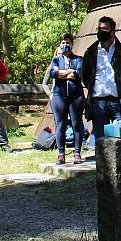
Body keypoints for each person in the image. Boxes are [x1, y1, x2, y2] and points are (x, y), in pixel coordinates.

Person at [82, 17, 121, 141]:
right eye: (99, 29)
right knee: (101, 141)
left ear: (113, 32)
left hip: (119, 102)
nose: (102, 32)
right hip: (98, 103)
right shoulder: (90, 52)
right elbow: (85, 77)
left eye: (105, 29)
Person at [48, 34, 85, 164]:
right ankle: (61, 154)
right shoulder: (56, 59)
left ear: (72, 44)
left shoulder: (79, 59)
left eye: (67, 42)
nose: (65, 45)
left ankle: (77, 153)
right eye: (63, 42)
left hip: (76, 96)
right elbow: (53, 74)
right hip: (59, 95)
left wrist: (61, 73)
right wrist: (68, 72)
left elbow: (78, 74)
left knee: (76, 123)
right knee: (60, 124)